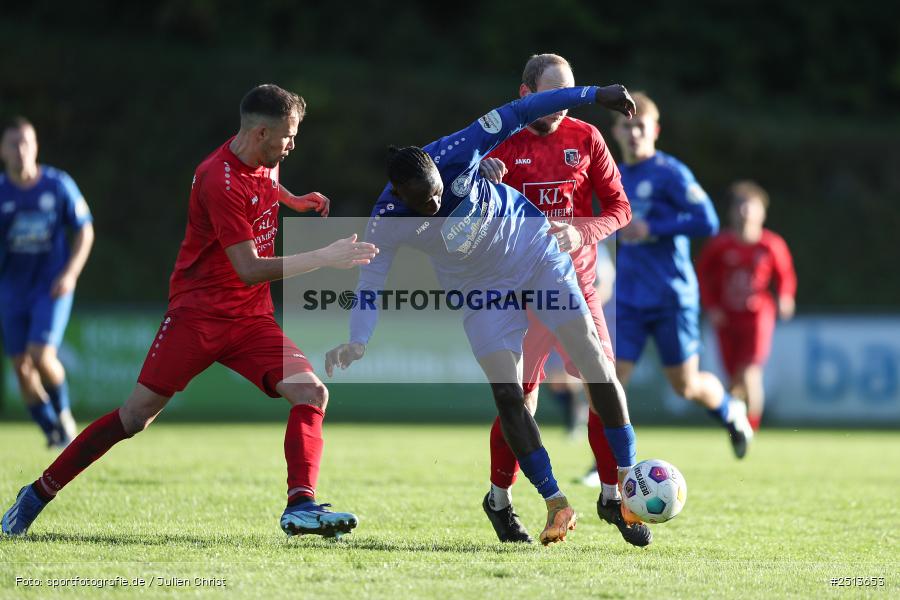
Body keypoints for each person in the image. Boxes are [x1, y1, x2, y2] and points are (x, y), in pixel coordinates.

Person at [1, 84, 378, 538]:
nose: (293, 144)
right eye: (288, 136)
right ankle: (37, 493)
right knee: (133, 418)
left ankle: (301, 504)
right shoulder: (216, 178)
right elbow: (249, 269)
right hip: (196, 318)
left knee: (312, 394)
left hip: (250, 320)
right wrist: (324, 256)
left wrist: (292, 201)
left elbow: (261, 188)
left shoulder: (264, 160)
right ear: (260, 133)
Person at [326, 83, 644, 546]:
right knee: (510, 397)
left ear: (440, 171)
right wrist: (359, 337)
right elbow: (371, 279)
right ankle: (555, 502)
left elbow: (524, 108)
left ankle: (630, 479)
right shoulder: (387, 217)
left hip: (534, 254)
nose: (435, 206)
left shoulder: (459, 147)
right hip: (480, 290)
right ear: (398, 193)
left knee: (595, 362)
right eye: (425, 203)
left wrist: (595, 93)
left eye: (438, 194)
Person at [474, 54, 650, 547]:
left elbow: (619, 210)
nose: (563, 106)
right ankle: (499, 500)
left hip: (577, 288)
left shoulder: (586, 138)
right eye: (553, 95)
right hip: (518, 294)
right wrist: (478, 187)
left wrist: (581, 232)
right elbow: (454, 210)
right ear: (526, 92)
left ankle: (614, 497)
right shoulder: (496, 137)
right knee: (521, 402)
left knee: (604, 384)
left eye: (571, 95)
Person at [611, 92, 755, 458]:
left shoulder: (670, 173)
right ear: (615, 131)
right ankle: (609, 462)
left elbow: (706, 220)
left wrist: (653, 228)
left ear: (655, 130)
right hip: (627, 297)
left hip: (670, 296)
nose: (634, 134)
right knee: (610, 380)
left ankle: (729, 409)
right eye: (627, 126)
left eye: (640, 126)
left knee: (685, 385)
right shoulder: (612, 176)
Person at [0, 117, 93, 448]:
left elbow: (84, 229)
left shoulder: (57, 185)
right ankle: (52, 431)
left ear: (36, 146)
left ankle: (64, 416)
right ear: (2, 151)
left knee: (40, 355)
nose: (21, 149)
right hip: (11, 291)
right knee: (21, 369)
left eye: (26, 142)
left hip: (51, 287)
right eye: (13, 143)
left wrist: (70, 273)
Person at [696, 181, 796, 431]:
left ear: (762, 212)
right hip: (727, 318)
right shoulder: (719, 245)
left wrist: (785, 297)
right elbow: (702, 277)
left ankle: (751, 430)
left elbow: (785, 275)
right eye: (741, 207)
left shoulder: (771, 245)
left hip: (757, 316)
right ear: (732, 212)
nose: (746, 213)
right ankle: (737, 424)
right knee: (734, 381)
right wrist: (711, 306)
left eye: (751, 207)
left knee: (751, 373)